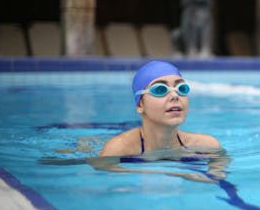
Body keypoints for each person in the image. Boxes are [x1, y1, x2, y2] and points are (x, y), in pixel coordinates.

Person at [91, 60, 226, 182]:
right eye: (160, 90)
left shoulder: (208, 145)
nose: (175, 95)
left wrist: (215, 175)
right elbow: (101, 172)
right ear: (140, 105)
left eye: (181, 88)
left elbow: (219, 177)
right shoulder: (118, 149)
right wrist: (173, 172)